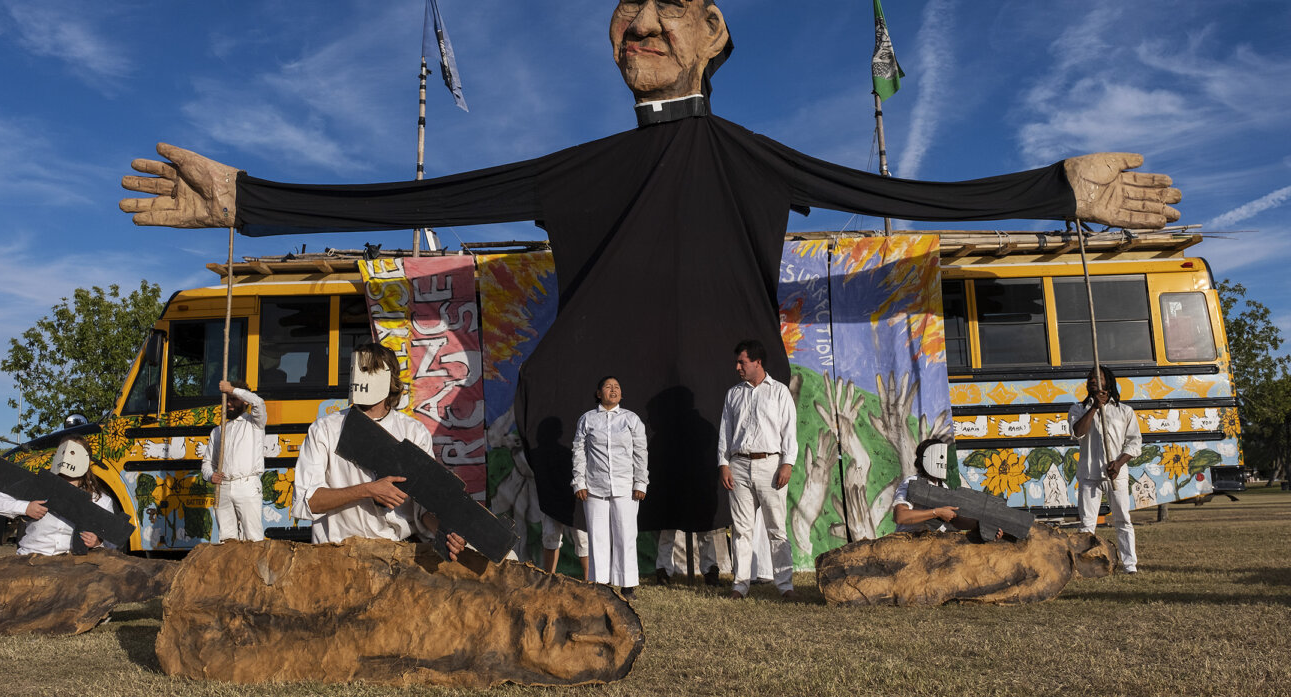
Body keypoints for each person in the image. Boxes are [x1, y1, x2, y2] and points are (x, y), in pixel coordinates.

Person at [120, 1, 1181, 546]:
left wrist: (1057, 188)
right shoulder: (583, 168)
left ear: (715, 37)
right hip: (594, 414)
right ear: (611, 41)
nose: (648, 22)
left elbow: (905, 197)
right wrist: (248, 204)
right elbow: (413, 205)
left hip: (717, 402)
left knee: (740, 490)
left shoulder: (745, 155)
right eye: (631, 7)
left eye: (677, 6)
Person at [293, 343, 465, 559]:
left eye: (371, 370)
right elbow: (308, 502)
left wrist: (446, 531)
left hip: (395, 556)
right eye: (359, 369)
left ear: (389, 378)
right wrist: (368, 490)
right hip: (336, 558)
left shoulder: (412, 432)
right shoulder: (326, 429)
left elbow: (424, 509)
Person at [717, 340, 797, 600]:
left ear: (757, 362)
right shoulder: (733, 393)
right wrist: (723, 464)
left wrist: (787, 463)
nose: (737, 367)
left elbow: (789, 431)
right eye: (737, 362)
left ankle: (785, 586)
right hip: (738, 464)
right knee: (741, 529)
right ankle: (740, 585)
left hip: (770, 465)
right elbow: (725, 432)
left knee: (776, 528)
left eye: (742, 362)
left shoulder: (779, 392)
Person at [572, 376, 649, 599]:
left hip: (626, 485)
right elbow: (578, 452)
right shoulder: (587, 419)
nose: (613, 390)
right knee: (597, 535)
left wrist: (640, 482)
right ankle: (600, 584)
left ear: (621, 394)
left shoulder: (630, 419)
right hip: (595, 486)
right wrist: (579, 482)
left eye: (617, 387)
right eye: (608, 387)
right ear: (599, 393)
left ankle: (627, 585)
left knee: (625, 534)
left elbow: (640, 452)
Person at [1069, 365, 1143, 574]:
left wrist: (1119, 463)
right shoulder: (1078, 409)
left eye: (1097, 378)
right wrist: (1093, 407)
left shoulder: (1124, 411)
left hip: (1116, 474)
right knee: (1086, 525)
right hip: (1089, 474)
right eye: (1090, 378)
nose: (1092, 380)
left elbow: (1135, 443)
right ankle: (1084, 566)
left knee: (1122, 520)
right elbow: (1078, 433)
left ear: (1108, 382)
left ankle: (1130, 566)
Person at [0, 436, 116, 556]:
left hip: (70, 564)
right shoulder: (37, 486)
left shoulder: (100, 500)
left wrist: (98, 542)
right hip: (30, 556)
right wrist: (25, 507)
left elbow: (114, 540)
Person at [201, 379, 267, 542]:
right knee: (226, 538)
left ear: (244, 401)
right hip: (223, 487)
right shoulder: (217, 431)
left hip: (247, 485)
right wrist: (210, 476)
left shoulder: (255, 423)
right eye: (227, 399)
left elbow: (258, 402)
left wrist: (232, 389)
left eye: (233, 399)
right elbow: (207, 463)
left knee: (253, 538)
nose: (229, 403)